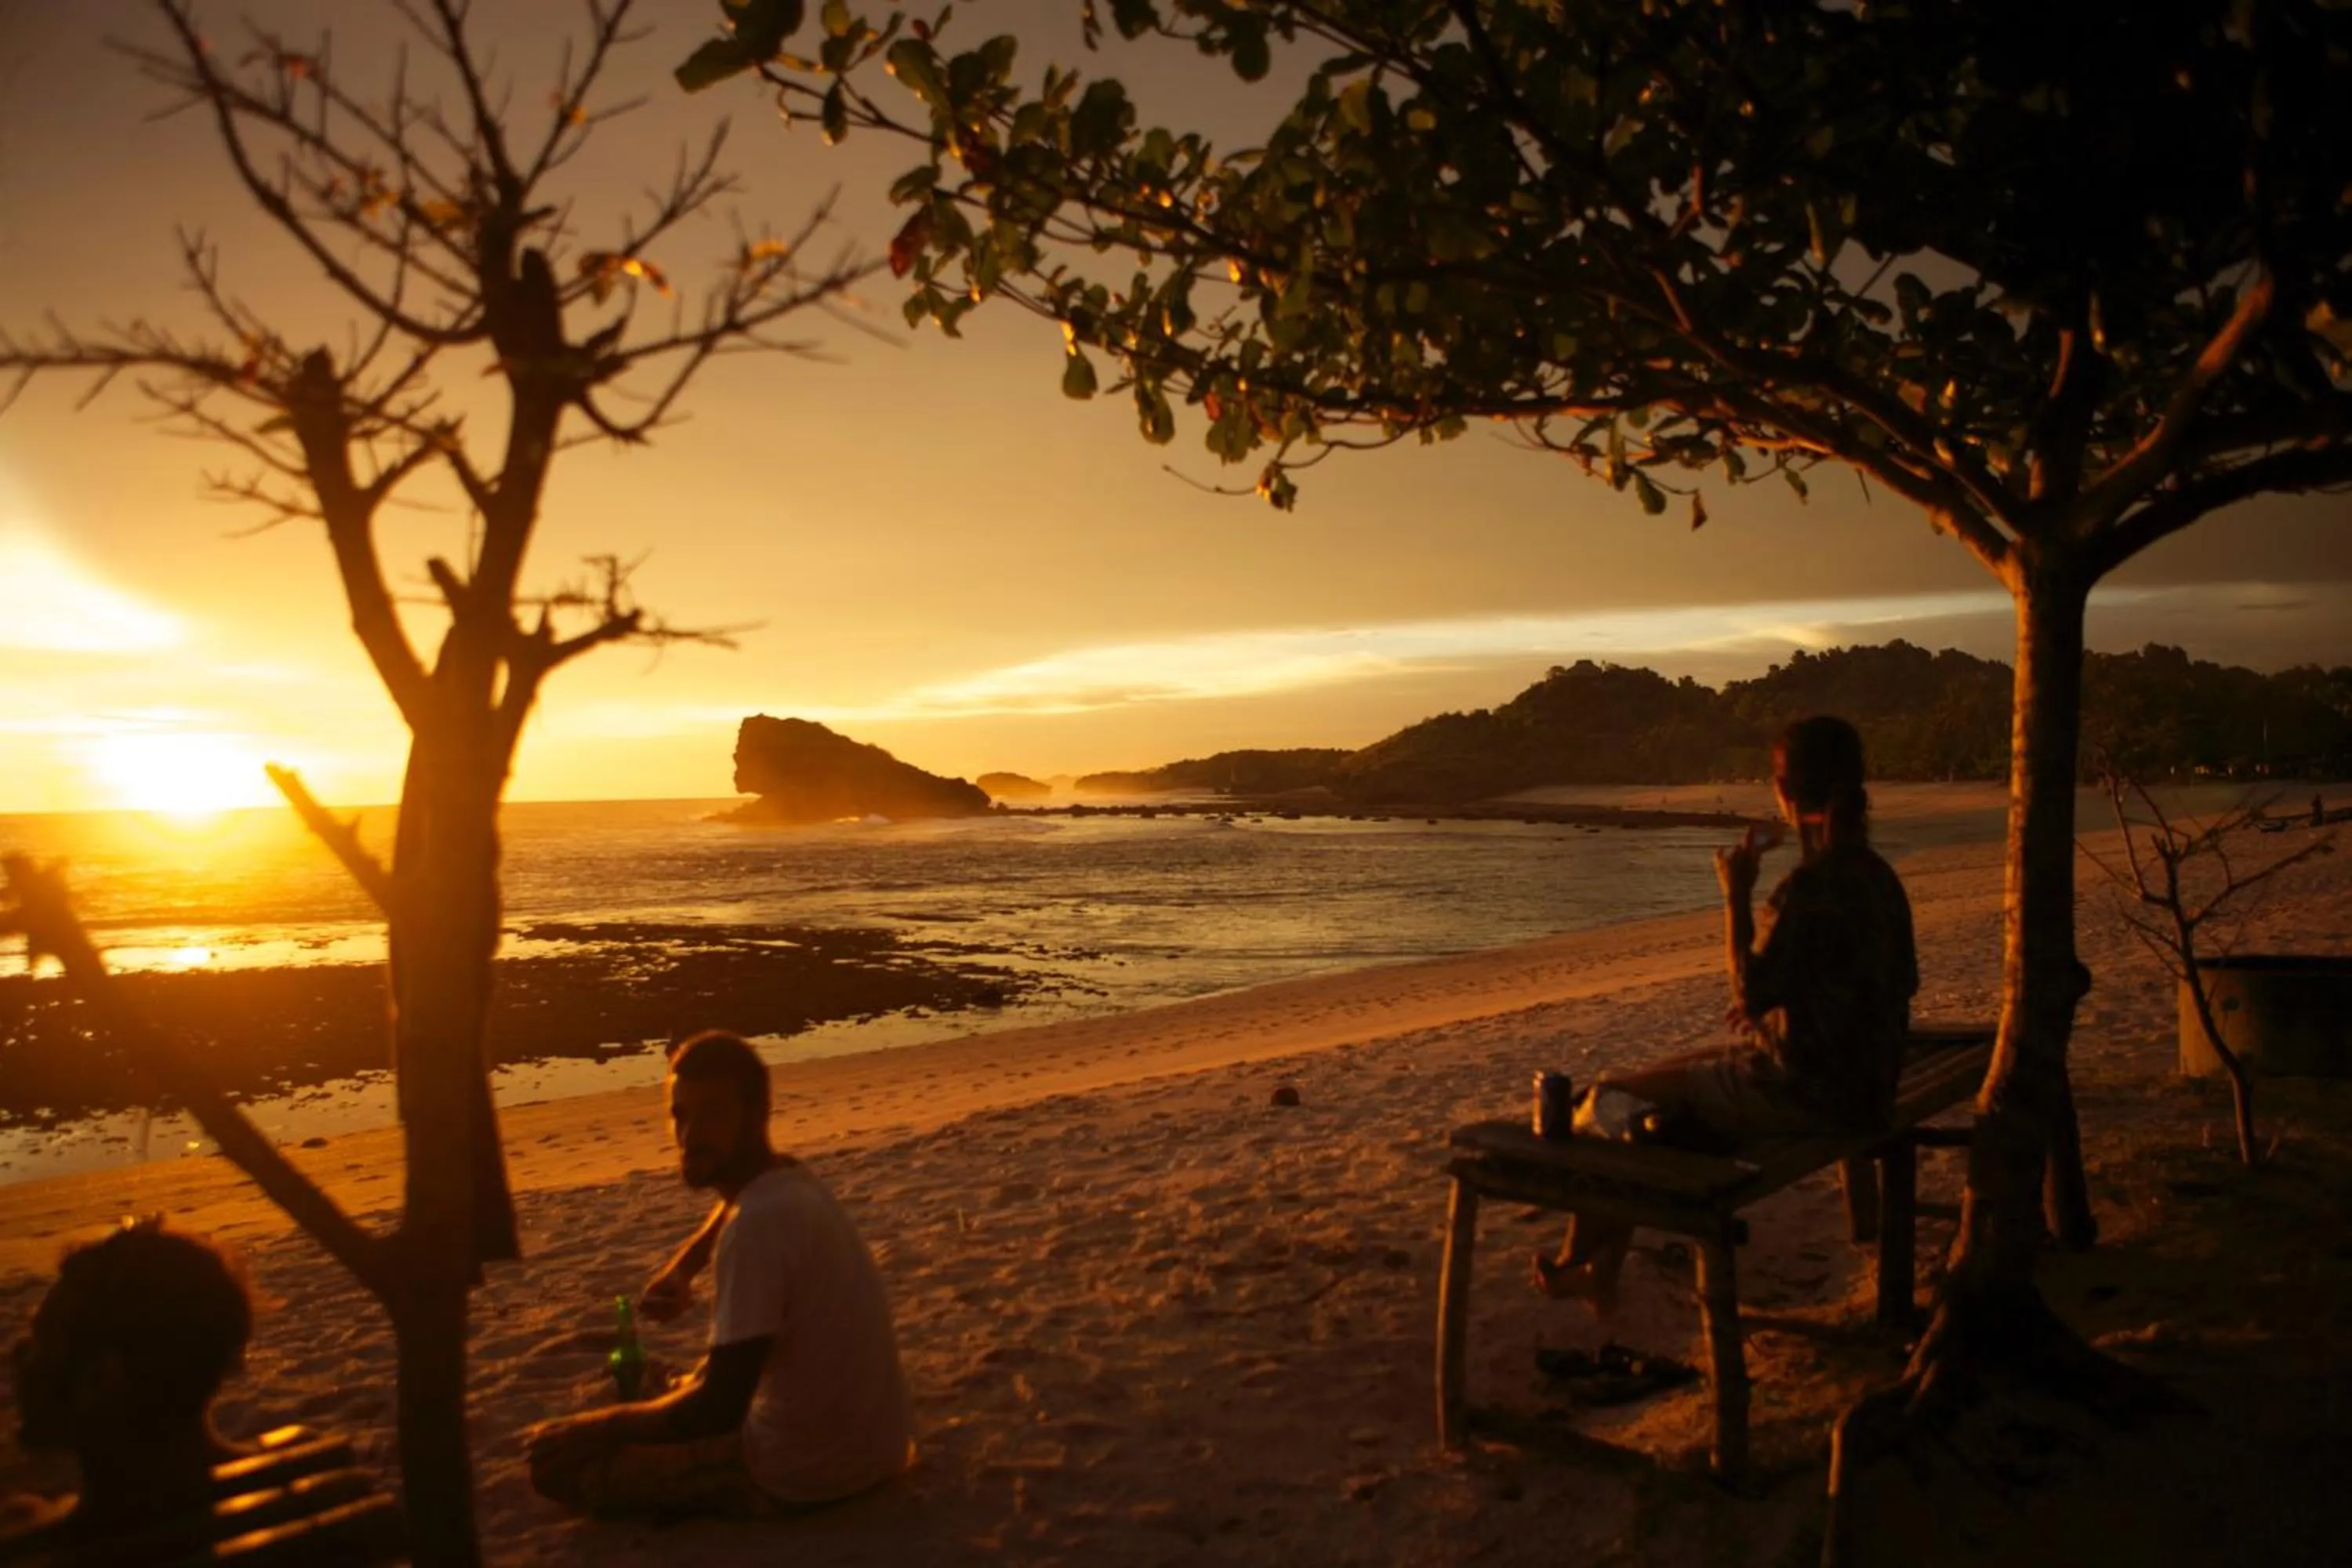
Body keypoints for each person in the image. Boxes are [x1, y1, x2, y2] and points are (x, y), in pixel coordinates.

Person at [1534, 715, 1919, 1315]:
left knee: (1610, 1099)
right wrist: (1778, 1011)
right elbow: (1883, 984)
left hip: (1806, 1092)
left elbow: (1747, 988)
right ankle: (1595, 1269)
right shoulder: (1879, 878)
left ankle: (1584, 1263)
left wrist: (1736, 893)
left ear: (1784, 792)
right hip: (1866, 1082)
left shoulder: (1808, 887)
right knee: (1675, 1072)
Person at [522, 1029, 915, 1518]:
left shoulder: (755, 1228)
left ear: (756, 1115)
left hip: (806, 1472)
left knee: (556, 1467)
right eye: (680, 1115)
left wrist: (597, 1428)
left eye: (712, 1113)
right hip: (877, 1448)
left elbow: (718, 1408)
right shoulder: (787, 1179)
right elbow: (731, 1207)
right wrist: (684, 1268)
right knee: (635, 1378)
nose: (690, 1135)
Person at [4, 1219, 254, 1548]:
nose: (16, 1357)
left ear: (104, 1377)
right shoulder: (307, 1472)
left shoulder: (32, 1549)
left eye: (41, 1343)